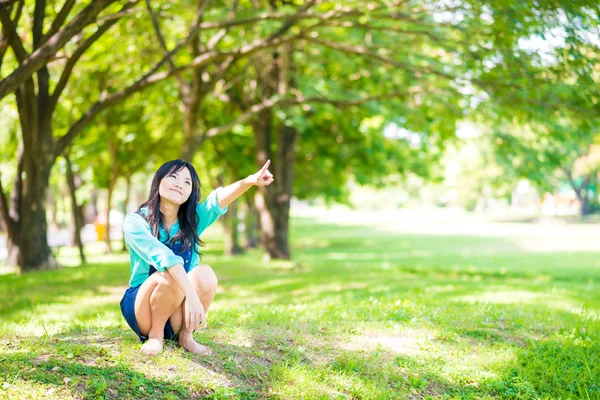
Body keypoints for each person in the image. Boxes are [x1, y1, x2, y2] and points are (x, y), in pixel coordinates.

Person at [120, 159, 274, 356]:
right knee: (169, 274)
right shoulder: (135, 222)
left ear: (191, 192)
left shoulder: (192, 219)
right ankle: (155, 336)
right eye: (173, 177)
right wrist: (191, 295)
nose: (179, 184)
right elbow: (164, 257)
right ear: (158, 181)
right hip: (143, 308)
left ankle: (186, 335)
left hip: (175, 306)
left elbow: (217, 201)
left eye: (187, 182)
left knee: (205, 273)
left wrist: (249, 181)